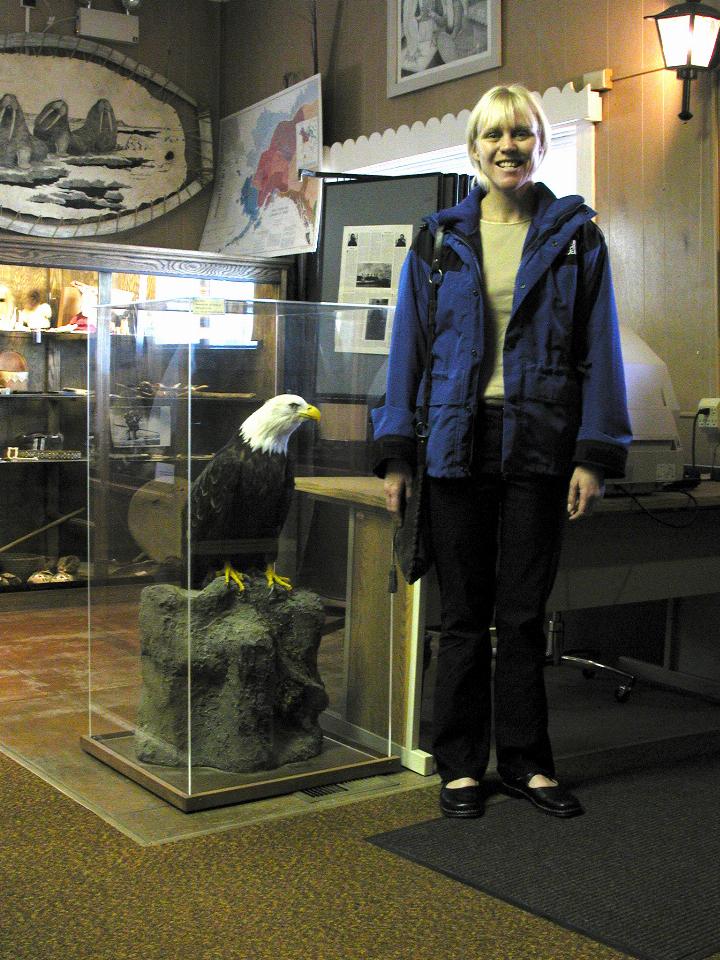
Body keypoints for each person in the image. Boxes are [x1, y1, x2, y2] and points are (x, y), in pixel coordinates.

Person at [371, 84, 631, 820]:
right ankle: (459, 765)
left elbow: (599, 351)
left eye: (520, 133)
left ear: (539, 145)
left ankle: (524, 763)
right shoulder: (436, 240)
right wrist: (396, 454)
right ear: (474, 149)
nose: (507, 146)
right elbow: (407, 352)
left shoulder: (578, 237)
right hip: (454, 444)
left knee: (521, 616)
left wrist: (595, 452)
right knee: (461, 616)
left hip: (539, 448)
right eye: (493, 135)